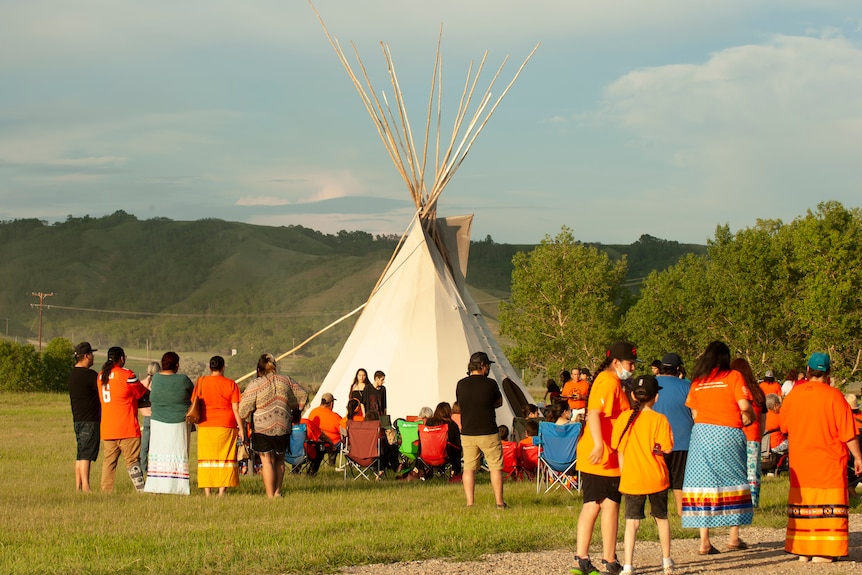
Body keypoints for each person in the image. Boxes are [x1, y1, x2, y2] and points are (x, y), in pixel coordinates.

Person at [779, 352, 862, 563]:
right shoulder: (834, 396)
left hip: (801, 464)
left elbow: (784, 427)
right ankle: (824, 551)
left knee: (805, 505)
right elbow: (848, 433)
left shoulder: (793, 396)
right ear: (829, 372)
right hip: (828, 463)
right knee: (828, 505)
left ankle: (804, 549)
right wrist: (858, 457)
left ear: (807, 371)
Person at [681, 341, 754, 555]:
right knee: (734, 480)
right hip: (728, 432)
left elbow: (693, 413)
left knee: (702, 483)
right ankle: (733, 536)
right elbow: (744, 407)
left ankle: (704, 541)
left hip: (701, 435)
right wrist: (748, 419)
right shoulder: (733, 377)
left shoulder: (698, 381)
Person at [571, 341, 636, 575]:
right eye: (630, 363)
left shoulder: (615, 382)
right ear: (616, 362)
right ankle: (582, 556)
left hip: (610, 456)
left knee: (611, 505)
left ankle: (609, 558)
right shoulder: (608, 382)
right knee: (593, 504)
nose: (633, 368)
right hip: (598, 454)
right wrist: (599, 444)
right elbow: (595, 414)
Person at [611, 375, 674, 575]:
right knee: (661, 519)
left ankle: (628, 565)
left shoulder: (623, 419)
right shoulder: (660, 419)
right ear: (656, 397)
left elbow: (618, 449)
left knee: (632, 523)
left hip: (632, 478)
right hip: (656, 477)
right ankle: (666, 561)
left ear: (632, 395)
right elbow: (667, 448)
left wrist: (623, 474)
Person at [239, 353, 308, 498]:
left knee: (267, 461)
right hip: (283, 425)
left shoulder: (256, 384)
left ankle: (270, 495)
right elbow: (302, 395)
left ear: (259, 369)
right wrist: (295, 409)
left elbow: (244, 409)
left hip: (262, 427)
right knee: (280, 460)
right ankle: (277, 492)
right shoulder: (286, 380)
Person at [456, 351, 506, 509]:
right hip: (488, 431)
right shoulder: (490, 384)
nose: (488, 369)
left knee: (469, 468)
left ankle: (470, 503)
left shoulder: (461, 384)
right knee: (495, 466)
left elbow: (459, 404)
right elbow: (499, 402)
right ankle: (499, 502)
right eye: (488, 366)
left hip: (468, 432)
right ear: (483, 366)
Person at [98, 346, 148, 493]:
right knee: (133, 461)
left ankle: (106, 491)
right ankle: (141, 490)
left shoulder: (101, 376)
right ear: (121, 358)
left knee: (109, 462)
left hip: (108, 428)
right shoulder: (127, 375)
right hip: (127, 427)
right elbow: (141, 393)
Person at [144, 351, 194, 495]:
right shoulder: (183, 379)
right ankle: (177, 486)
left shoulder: (157, 378)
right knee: (177, 453)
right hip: (179, 421)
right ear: (177, 365)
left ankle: (157, 485)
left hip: (158, 422)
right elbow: (193, 393)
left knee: (159, 453)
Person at [195, 355, 244, 496]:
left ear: (210, 367)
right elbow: (236, 408)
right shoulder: (231, 384)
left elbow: (195, 401)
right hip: (226, 424)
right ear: (223, 367)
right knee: (225, 458)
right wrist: (240, 428)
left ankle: (207, 491)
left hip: (206, 424)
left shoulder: (201, 382)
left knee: (206, 458)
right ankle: (222, 492)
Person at [652, 352, 692, 516]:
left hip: (657, 440)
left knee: (658, 479)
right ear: (678, 369)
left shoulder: (652, 383)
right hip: (682, 440)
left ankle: (659, 514)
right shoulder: (687, 386)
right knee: (679, 481)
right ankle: (682, 513)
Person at [731, 357, 767, 508]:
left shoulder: (734, 390)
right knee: (753, 472)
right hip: (754, 436)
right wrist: (760, 433)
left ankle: (736, 502)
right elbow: (763, 419)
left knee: (735, 470)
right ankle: (753, 502)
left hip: (735, 436)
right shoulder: (758, 392)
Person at [68, 342, 100, 492]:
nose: (93, 357)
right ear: (87, 356)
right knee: (87, 454)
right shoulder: (90, 375)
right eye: (92, 354)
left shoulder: (73, 374)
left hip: (78, 419)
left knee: (80, 453)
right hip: (90, 420)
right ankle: (86, 487)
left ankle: (78, 486)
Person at [306, 392, 343, 463]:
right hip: (332, 444)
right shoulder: (335, 417)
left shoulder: (313, 412)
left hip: (315, 444)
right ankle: (332, 465)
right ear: (331, 403)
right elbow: (343, 430)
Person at [138, 361, 160, 475]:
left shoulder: (141, 383)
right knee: (157, 447)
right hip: (157, 417)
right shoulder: (158, 384)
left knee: (144, 446)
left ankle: (143, 468)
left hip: (146, 418)